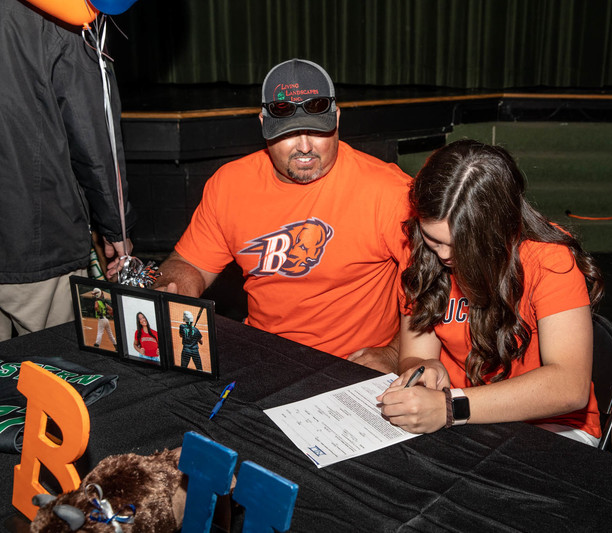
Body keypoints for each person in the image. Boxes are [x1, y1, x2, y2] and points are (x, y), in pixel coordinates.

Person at [154, 58, 410, 373]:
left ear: (338, 119)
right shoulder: (230, 184)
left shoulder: (388, 190)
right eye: (288, 133)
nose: (304, 147)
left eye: (317, 131)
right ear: (263, 124)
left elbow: (433, 287)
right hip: (263, 358)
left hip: (351, 365)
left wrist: (396, 352)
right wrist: (172, 290)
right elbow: (188, 264)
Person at [377, 140, 604, 446]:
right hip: (459, 415)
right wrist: (425, 368)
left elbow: (569, 386)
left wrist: (451, 406)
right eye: (434, 239)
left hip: (547, 424)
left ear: (500, 229)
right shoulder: (423, 252)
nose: (444, 255)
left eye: (460, 245)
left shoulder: (549, 260)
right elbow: (417, 353)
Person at [0, 0, 135, 342]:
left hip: (26, 238)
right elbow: (93, 131)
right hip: (35, 241)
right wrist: (115, 227)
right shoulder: (63, 11)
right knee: (64, 368)